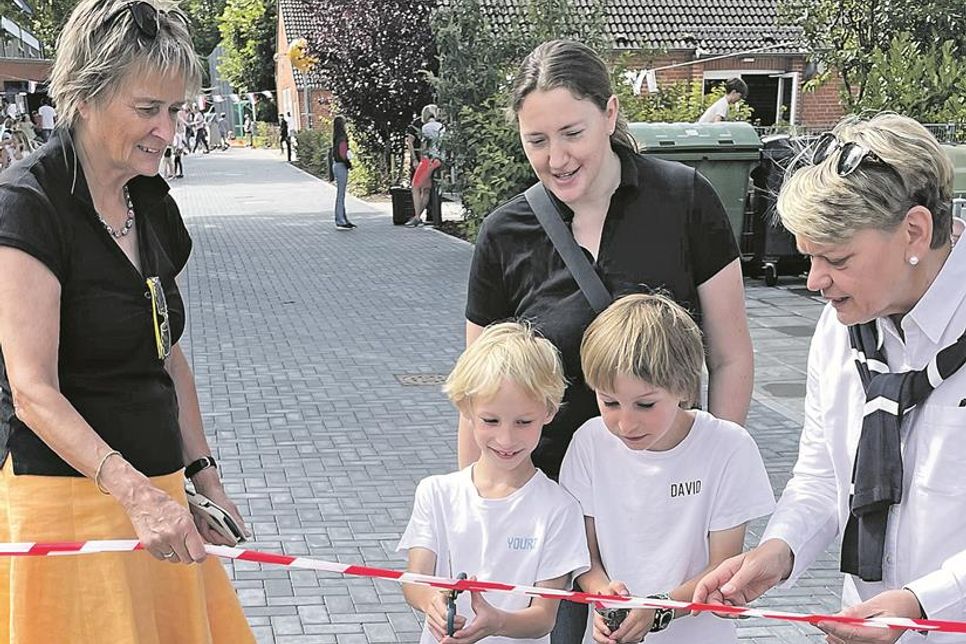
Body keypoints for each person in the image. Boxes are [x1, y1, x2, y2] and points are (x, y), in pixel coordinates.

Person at [461, 39, 754, 641]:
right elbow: (477, 393)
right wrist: (472, 517)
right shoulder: (505, 233)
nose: (557, 157)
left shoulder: (685, 200)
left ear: (611, 114)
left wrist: (714, 468)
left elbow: (730, 355)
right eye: (536, 141)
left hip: (669, 510)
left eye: (573, 133)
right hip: (556, 519)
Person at [0, 0, 254, 640]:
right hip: (68, 503)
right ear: (84, 96)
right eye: (148, 110)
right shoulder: (27, 205)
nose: (167, 131)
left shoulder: (150, 201)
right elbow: (32, 391)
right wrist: (136, 495)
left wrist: (203, 477)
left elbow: (167, 355)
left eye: (175, 112)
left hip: (161, 494)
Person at [694, 113, 966, 644]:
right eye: (809, 257)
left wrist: (923, 601)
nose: (815, 281)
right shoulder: (840, 328)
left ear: (915, 231)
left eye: (836, 258)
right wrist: (780, 550)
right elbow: (822, 475)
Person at [559, 293, 775, 643]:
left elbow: (723, 566)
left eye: (645, 404)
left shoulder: (727, 447)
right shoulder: (589, 442)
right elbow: (582, 552)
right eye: (609, 402)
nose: (626, 423)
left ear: (684, 386)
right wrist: (602, 595)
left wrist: (658, 608)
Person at [398, 321, 590, 643]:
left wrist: (497, 622)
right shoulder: (436, 493)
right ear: (466, 408)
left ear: (549, 411)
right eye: (491, 420)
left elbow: (544, 617)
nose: (506, 438)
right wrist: (432, 600)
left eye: (523, 422)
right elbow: (414, 578)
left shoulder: (560, 508)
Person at [405, 103, 445, 227]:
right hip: (439, 159)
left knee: (415, 187)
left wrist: (419, 160)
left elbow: (424, 147)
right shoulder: (442, 126)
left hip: (428, 160)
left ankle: (417, 217)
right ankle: (418, 216)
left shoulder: (425, 128)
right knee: (426, 189)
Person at [330, 115, 356, 230]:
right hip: (341, 166)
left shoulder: (336, 136)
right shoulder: (342, 138)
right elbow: (343, 153)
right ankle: (340, 219)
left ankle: (343, 218)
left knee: (341, 193)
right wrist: (348, 162)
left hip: (336, 165)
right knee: (341, 194)